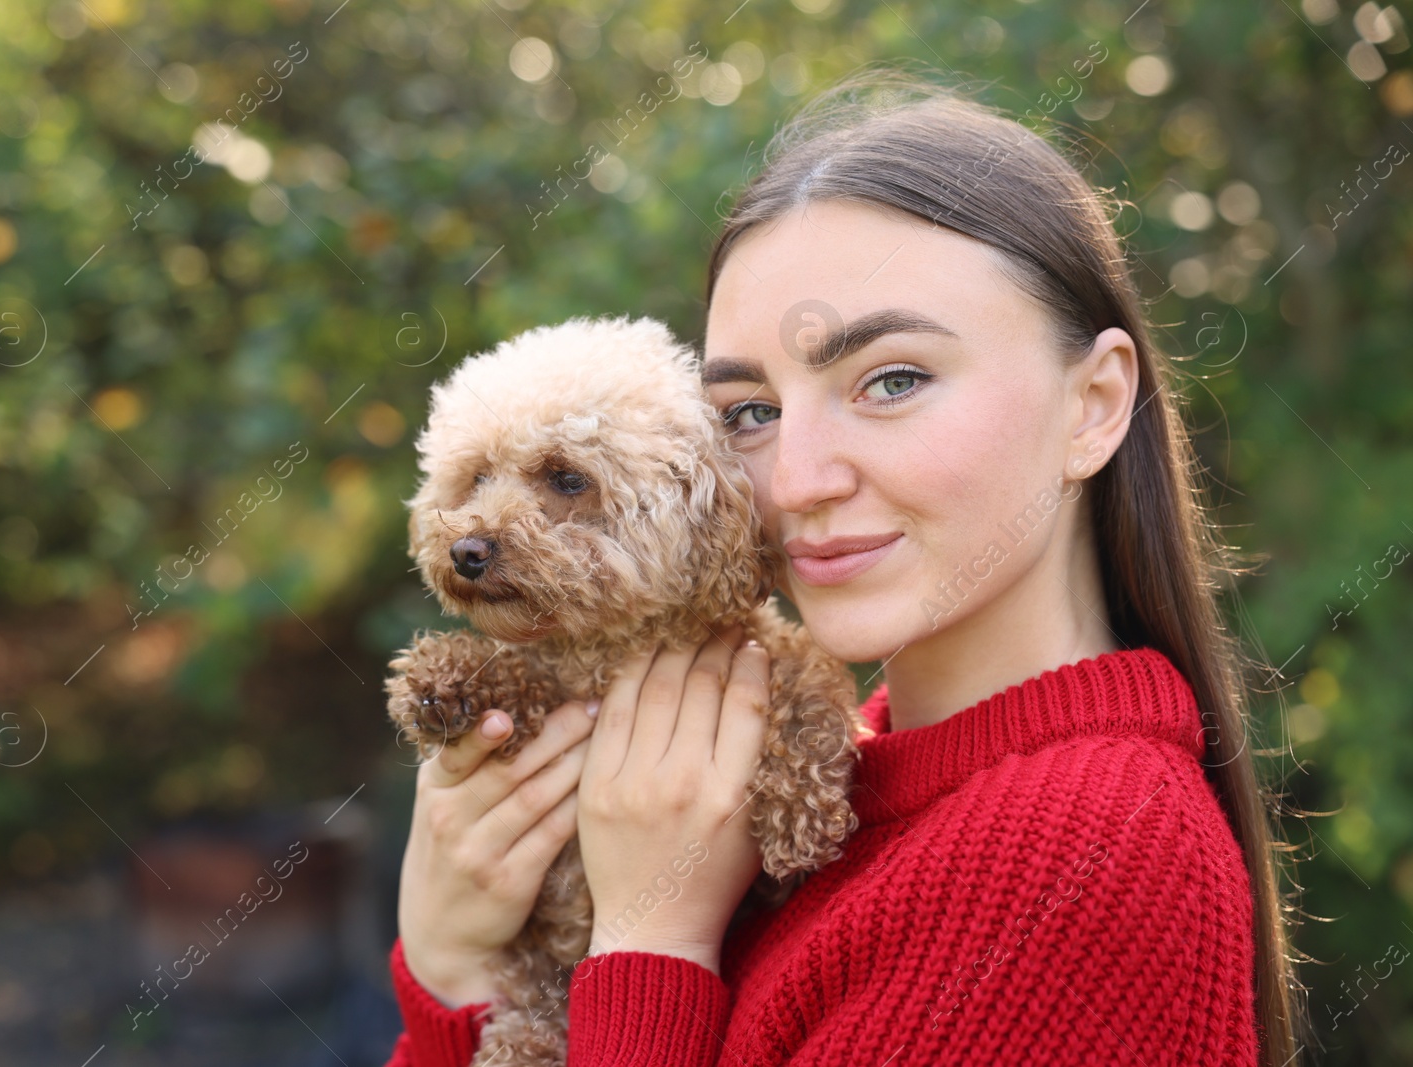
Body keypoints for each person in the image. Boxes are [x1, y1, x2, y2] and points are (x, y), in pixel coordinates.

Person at [380, 69, 1301, 1066]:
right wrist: (452, 973)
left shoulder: (1088, 847)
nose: (799, 477)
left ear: (1092, 405)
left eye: (890, 379)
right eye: (749, 412)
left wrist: (652, 941)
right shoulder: (819, 781)